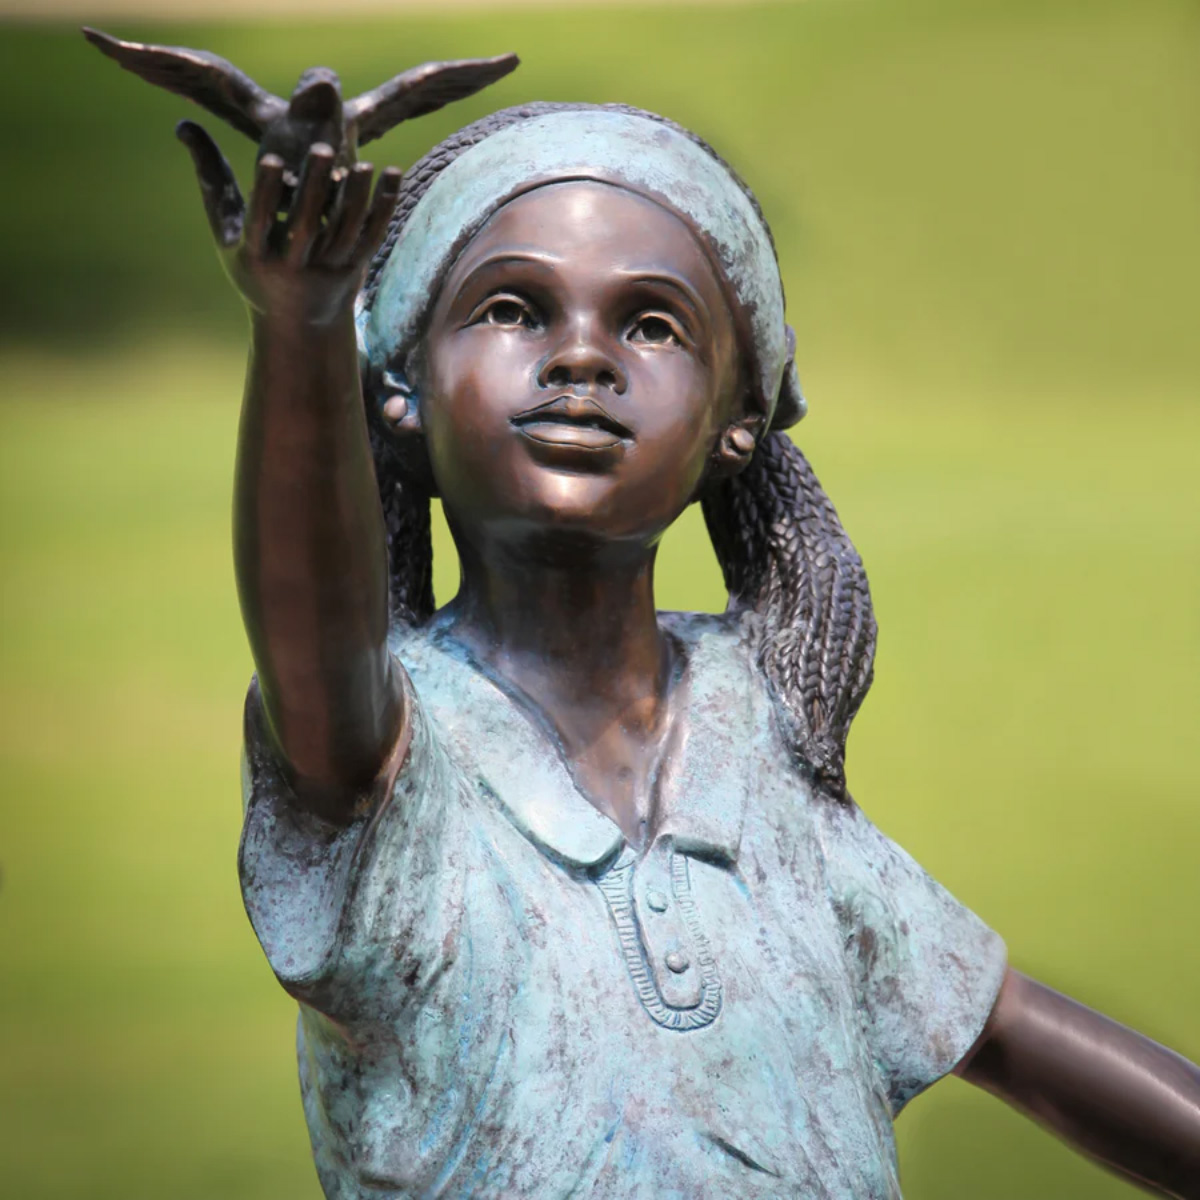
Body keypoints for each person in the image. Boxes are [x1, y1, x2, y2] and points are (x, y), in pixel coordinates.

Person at [174, 98, 1200, 1198]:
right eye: (513, 310)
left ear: (736, 420)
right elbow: (313, 637)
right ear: (401, 393)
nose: (581, 356)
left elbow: (1011, 1031)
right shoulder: (392, 765)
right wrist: (302, 325)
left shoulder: (755, 745)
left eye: (652, 325)